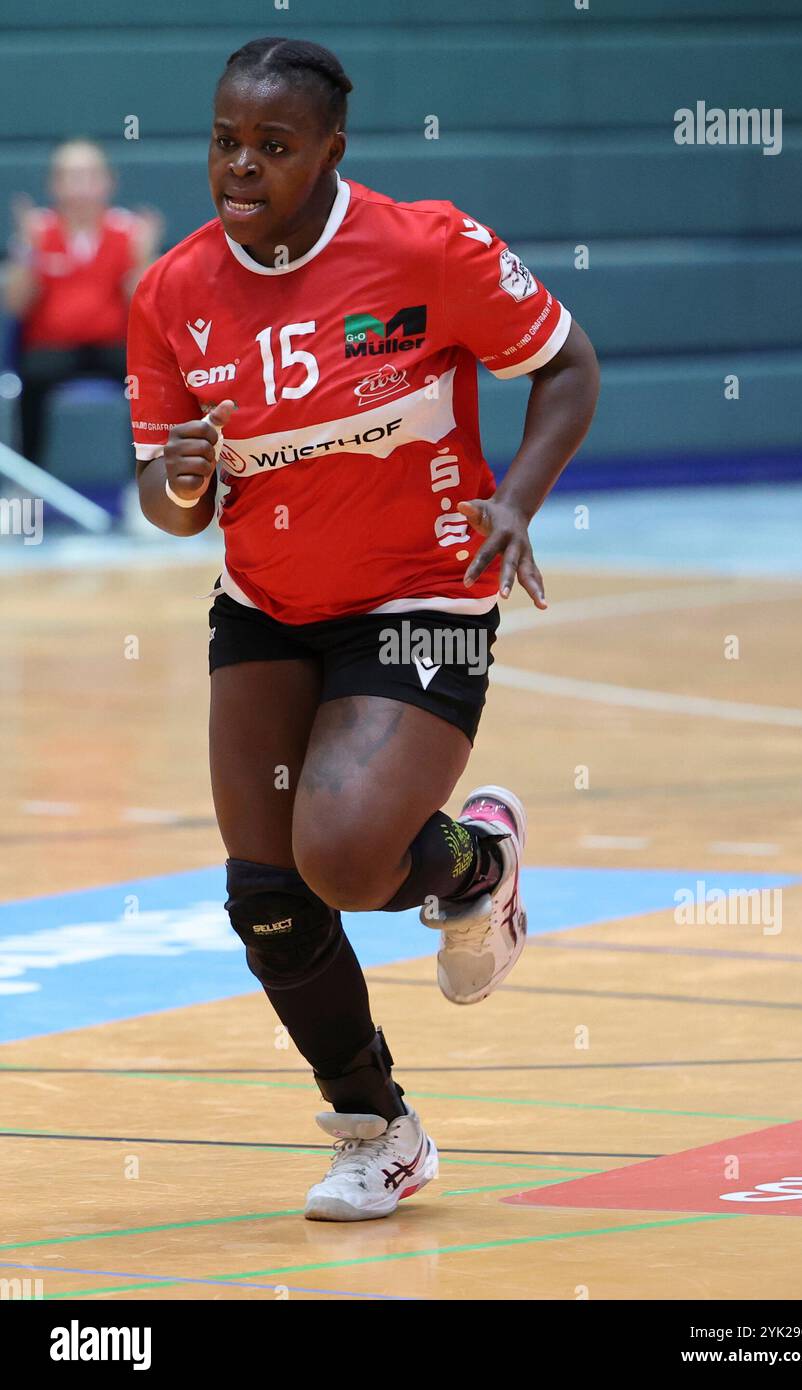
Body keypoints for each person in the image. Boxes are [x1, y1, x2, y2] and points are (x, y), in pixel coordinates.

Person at [128, 37, 599, 1222]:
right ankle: (381, 1131)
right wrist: (180, 480)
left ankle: (477, 860)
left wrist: (517, 498)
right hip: (267, 604)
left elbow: (566, 366)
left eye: (273, 147)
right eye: (225, 140)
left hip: (421, 594)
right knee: (267, 895)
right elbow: (169, 508)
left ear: (331, 152)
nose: (241, 166)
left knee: (338, 856)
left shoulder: (424, 247)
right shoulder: (172, 292)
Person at [5, 139, 162, 465]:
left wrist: (143, 257)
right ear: (54, 184)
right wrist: (26, 252)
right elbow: (15, 305)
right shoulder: (37, 232)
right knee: (30, 383)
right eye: (70, 176)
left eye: (89, 175)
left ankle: (143, 485)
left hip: (114, 349)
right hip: (50, 352)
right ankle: (30, 483)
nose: (80, 187)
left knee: (148, 382)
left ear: (108, 182)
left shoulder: (129, 231)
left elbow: (145, 307)